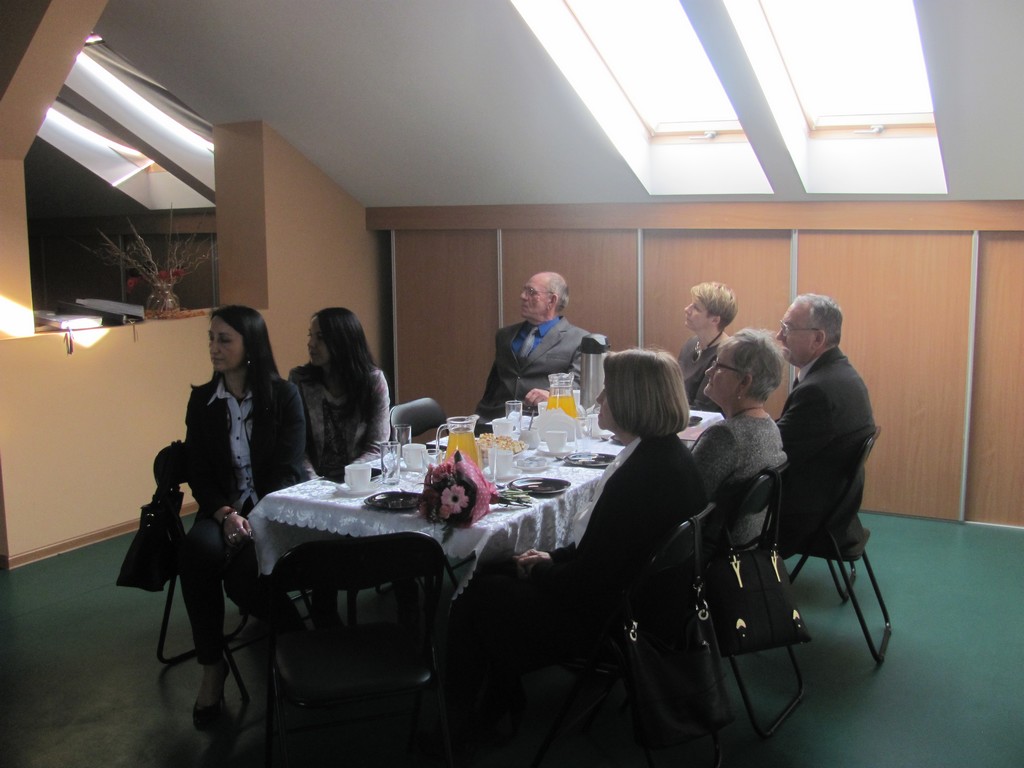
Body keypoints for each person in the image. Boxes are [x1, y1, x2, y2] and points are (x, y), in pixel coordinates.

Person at [440, 348, 707, 755]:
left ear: (632, 401)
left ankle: (464, 726)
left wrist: (543, 569)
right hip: (647, 604)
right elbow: (607, 551)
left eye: (607, 392)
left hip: (614, 619)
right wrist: (552, 559)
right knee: (495, 572)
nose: (599, 400)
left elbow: (590, 582)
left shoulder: (642, 477)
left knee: (478, 596)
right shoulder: (665, 457)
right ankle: (495, 700)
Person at [178, 305, 306, 729]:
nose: (214, 348)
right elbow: (199, 472)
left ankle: (298, 641)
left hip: (271, 511)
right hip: (223, 511)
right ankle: (212, 667)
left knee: (242, 579)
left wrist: (254, 519)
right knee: (196, 553)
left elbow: (288, 470)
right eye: (211, 339)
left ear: (250, 345)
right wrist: (227, 514)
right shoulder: (202, 401)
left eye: (224, 340)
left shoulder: (283, 396)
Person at [775, 294, 875, 557]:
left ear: (817, 339)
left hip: (806, 514)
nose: (779, 336)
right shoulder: (840, 373)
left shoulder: (819, 390)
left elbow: (774, 452)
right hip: (836, 505)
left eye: (787, 328)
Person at [692, 328, 787, 549]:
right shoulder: (769, 427)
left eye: (719, 366)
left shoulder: (725, 437)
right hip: (744, 546)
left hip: (707, 551)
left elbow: (685, 500)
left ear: (744, 382)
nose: (708, 371)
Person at [288, 307, 390, 481]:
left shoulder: (373, 381)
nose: (311, 344)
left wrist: (348, 479)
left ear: (343, 340)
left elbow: (377, 447)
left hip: (360, 480)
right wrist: (315, 484)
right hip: (313, 482)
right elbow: (298, 447)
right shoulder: (300, 380)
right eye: (310, 336)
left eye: (320, 337)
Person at [475, 271, 589, 421]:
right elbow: (494, 383)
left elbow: (580, 385)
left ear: (552, 300)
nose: (522, 296)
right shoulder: (504, 336)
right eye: (524, 290)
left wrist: (553, 395)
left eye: (531, 292)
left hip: (544, 419)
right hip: (497, 419)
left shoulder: (579, 340)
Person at [677, 282, 738, 412]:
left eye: (696, 308)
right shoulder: (691, 344)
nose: (687, 309)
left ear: (715, 320)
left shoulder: (727, 355)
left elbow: (703, 409)